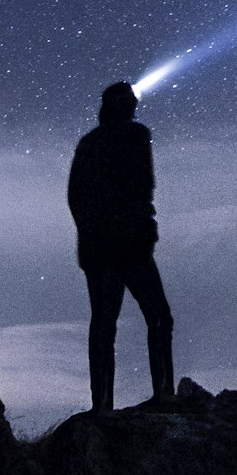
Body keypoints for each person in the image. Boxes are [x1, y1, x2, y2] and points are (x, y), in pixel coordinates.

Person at [68, 81, 174, 414]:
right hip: (130, 245)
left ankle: (102, 405)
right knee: (158, 317)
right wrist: (144, 230)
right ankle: (164, 393)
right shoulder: (136, 135)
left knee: (103, 324)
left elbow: (75, 196)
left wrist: (90, 233)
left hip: (98, 248)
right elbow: (144, 187)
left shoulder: (88, 144)